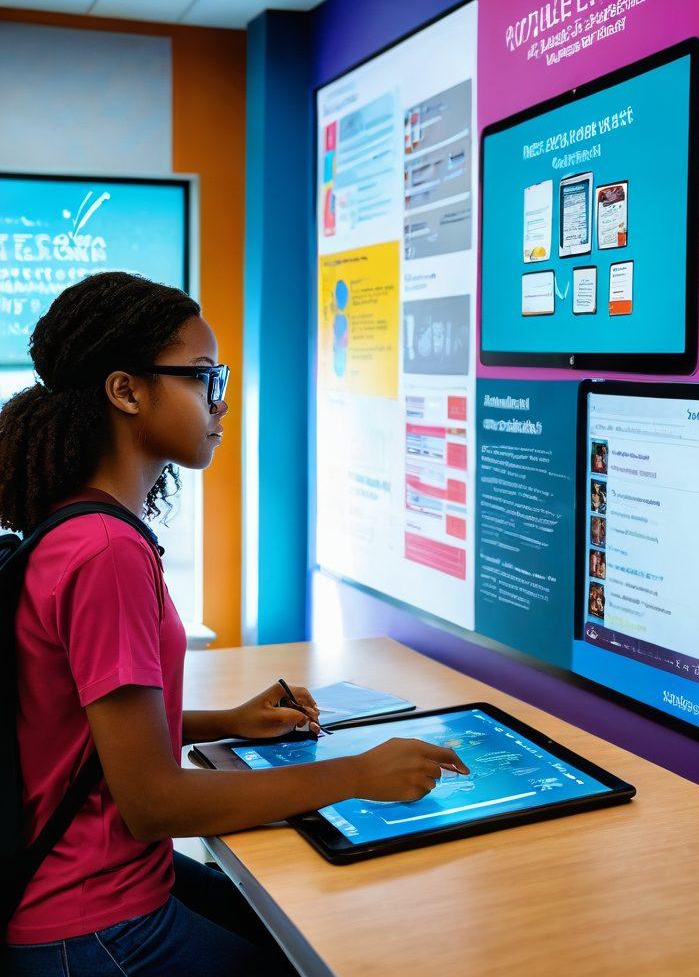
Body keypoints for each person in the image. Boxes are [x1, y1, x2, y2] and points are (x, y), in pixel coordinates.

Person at [1, 272, 468, 977]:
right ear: (126, 391)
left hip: (89, 889)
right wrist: (358, 773)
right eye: (203, 377)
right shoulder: (106, 553)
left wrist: (228, 722)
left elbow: (83, 729)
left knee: (290, 928)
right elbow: (152, 802)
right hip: (92, 923)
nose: (220, 402)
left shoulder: (76, 528)